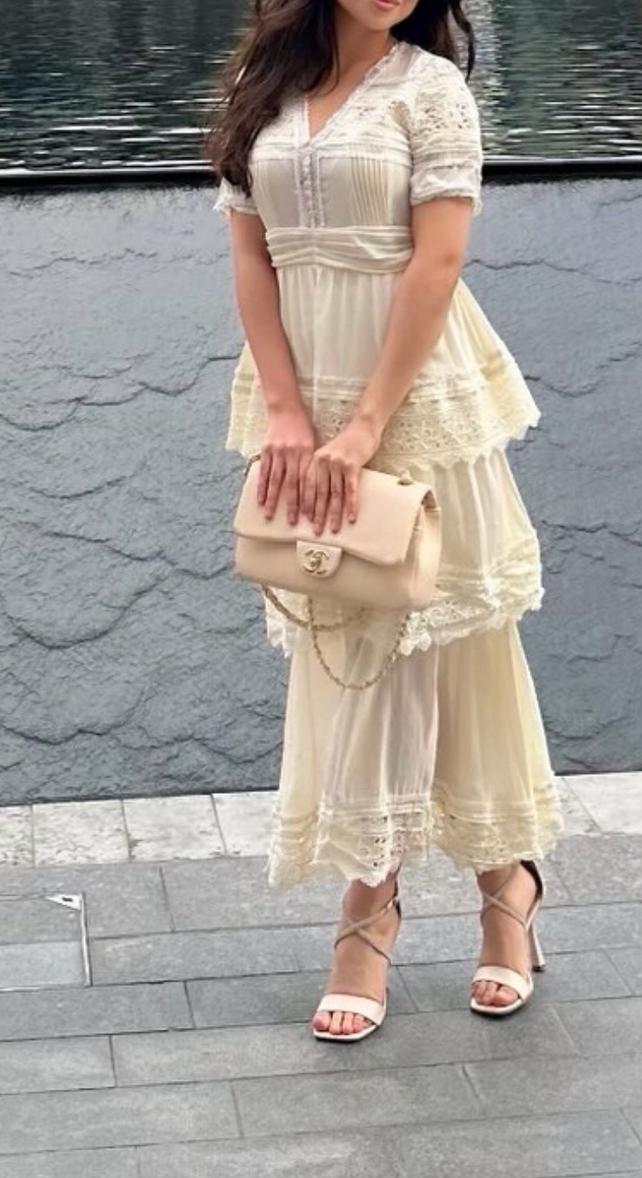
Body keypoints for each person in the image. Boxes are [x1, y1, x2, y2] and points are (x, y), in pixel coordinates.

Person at [207, 0, 565, 1042]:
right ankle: (450, 889)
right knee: (353, 642)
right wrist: (285, 410)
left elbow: (436, 263)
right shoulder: (264, 85)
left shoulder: (431, 90)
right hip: (302, 391)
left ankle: (425, 901)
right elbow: (252, 256)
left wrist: (367, 425)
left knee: (439, 640)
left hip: (410, 394)